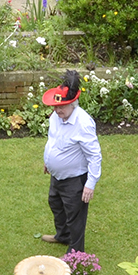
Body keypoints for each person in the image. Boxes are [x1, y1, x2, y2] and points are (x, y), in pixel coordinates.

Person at [37, 71, 101, 253]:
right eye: (56, 106)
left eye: (61, 107)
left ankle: (74, 256)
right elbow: (53, 139)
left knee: (75, 217)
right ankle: (62, 236)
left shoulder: (84, 123)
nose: (57, 110)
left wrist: (90, 184)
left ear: (73, 104)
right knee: (55, 203)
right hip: (57, 175)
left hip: (75, 180)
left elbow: (95, 156)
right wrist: (48, 161)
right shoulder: (56, 117)